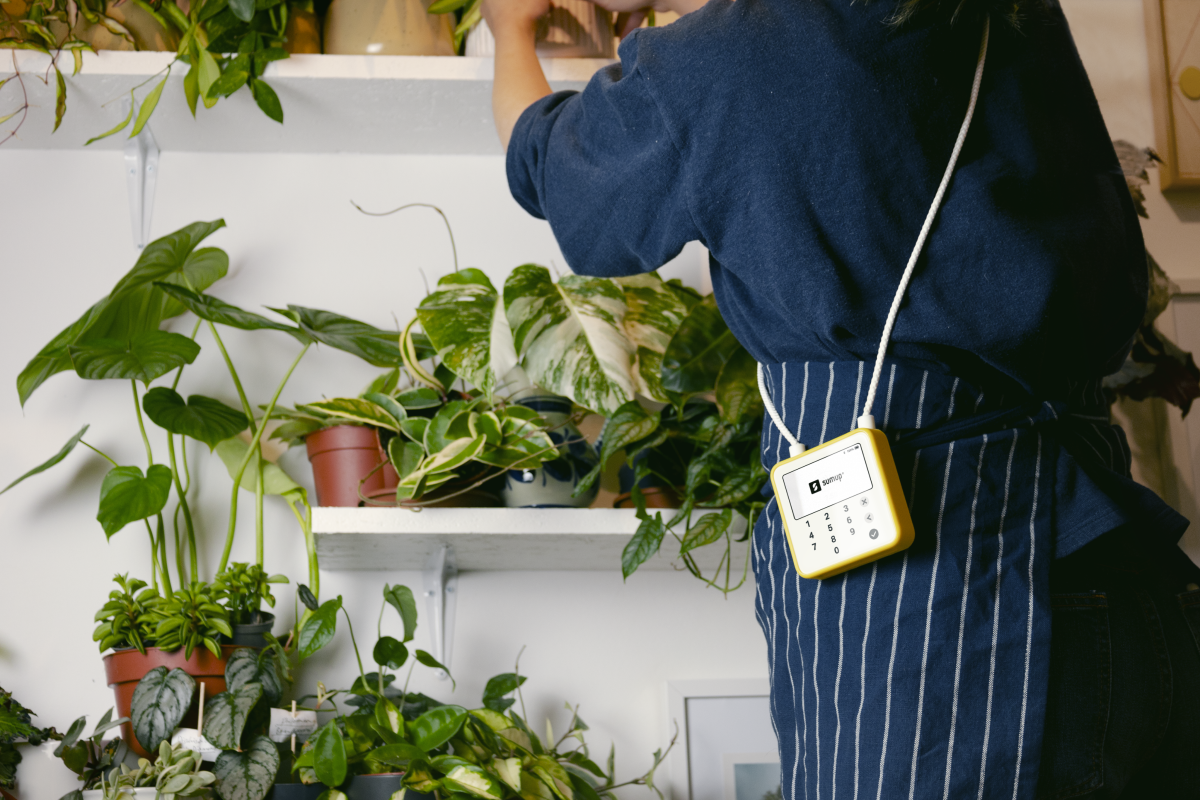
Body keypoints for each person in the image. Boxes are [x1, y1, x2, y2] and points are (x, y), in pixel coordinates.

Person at [480, 0, 1200, 796]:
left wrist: (510, 29)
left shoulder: (727, 53)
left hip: (933, 614)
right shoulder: (1012, 15)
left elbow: (550, 168)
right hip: (1115, 570)